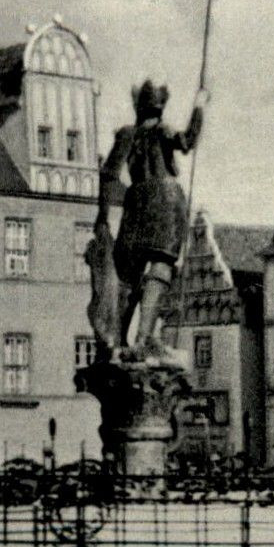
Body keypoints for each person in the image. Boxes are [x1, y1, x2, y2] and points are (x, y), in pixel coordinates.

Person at [98, 80, 208, 353]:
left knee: (129, 273)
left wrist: (103, 213)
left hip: (136, 199)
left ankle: (116, 338)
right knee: (161, 265)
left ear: (139, 107)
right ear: (160, 108)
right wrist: (199, 106)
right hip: (166, 200)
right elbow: (188, 141)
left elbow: (108, 174)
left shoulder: (127, 134)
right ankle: (144, 336)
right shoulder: (163, 130)